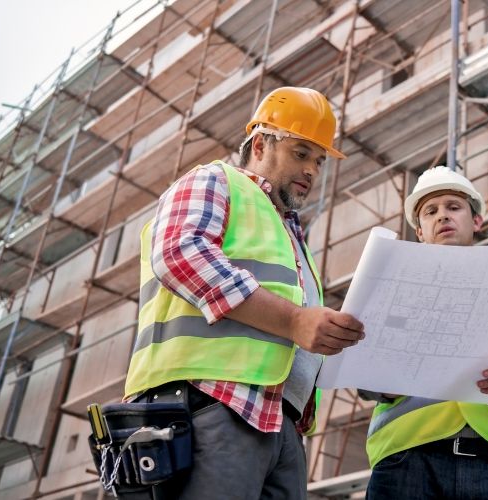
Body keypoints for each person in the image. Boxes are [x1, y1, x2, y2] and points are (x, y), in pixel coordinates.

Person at [120, 87, 365, 499]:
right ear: (260, 143)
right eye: (300, 153)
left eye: (319, 161)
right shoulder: (215, 180)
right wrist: (293, 320)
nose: (311, 171)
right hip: (213, 407)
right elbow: (178, 252)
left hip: (282, 424)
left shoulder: (291, 234)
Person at [361, 166, 488, 499]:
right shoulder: (393, 292)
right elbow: (367, 383)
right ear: (420, 231)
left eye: (453, 207)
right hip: (407, 459)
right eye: (431, 211)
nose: (443, 216)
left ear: (476, 221)